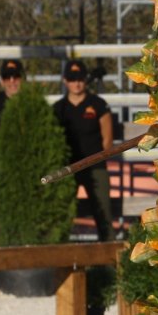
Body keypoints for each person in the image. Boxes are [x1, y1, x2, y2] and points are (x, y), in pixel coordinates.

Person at [53, 61, 115, 242]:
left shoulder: (98, 105)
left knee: (103, 215)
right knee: (62, 215)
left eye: (80, 79)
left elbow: (108, 139)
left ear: (85, 80)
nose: (76, 83)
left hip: (95, 167)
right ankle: (61, 259)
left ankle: (109, 265)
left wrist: (99, 159)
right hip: (68, 169)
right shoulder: (58, 109)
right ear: (65, 81)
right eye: (72, 79)